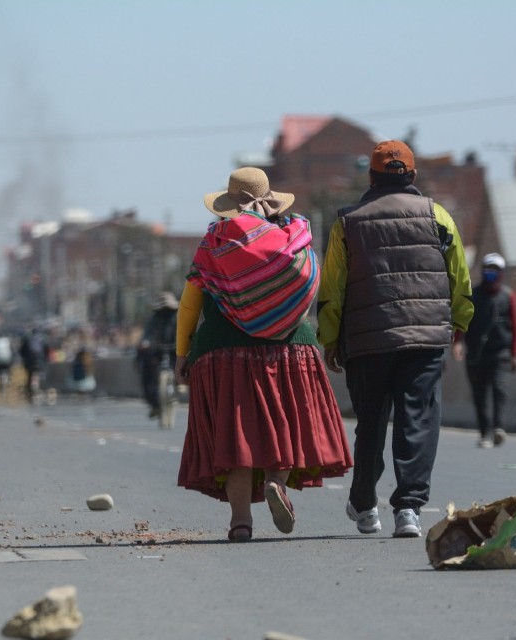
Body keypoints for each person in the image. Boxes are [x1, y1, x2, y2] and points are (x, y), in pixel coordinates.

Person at [176, 166, 353, 542]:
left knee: (236, 438)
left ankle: (240, 521)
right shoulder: (295, 237)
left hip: (224, 350)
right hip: (290, 349)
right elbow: (315, 288)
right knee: (284, 425)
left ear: (227, 205)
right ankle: (275, 481)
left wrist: (181, 353)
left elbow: (190, 304)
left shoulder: (214, 242)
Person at [318, 140, 474, 538]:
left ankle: (365, 506)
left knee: (370, 423)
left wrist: (330, 338)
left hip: (367, 340)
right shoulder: (438, 216)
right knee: (417, 420)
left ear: (371, 178)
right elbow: (459, 277)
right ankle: (408, 509)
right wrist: (460, 321)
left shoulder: (347, 223)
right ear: (413, 175)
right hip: (425, 337)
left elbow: (332, 289)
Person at [453, 253, 516, 449]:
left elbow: (515, 327)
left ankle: (498, 428)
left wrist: (514, 354)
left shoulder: (508, 296)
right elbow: (462, 320)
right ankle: (485, 433)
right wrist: (457, 342)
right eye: (489, 269)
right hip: (476, 354)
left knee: (499, 389)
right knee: (480, 395)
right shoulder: (472, 295)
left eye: (495, 270)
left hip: (500, 354)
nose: (492, 274)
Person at [137, 292, 179, 419]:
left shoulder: (178, 317)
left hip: (174, 350)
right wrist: (145, 343)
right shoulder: (154, 318)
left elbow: (184, 333)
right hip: (157, 350)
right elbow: (147, 334)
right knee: (146, 364)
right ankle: (154, 403)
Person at [19, 329, 49, 401]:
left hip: (29, 361)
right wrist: (45, 359)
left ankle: (30, 392)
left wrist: (24, 359)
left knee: (29, 376)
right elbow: (46, 351)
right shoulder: (43, 340)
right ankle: (39, 389)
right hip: (40, 361)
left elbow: (21, 351)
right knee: (39, 374)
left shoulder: (27, 339)